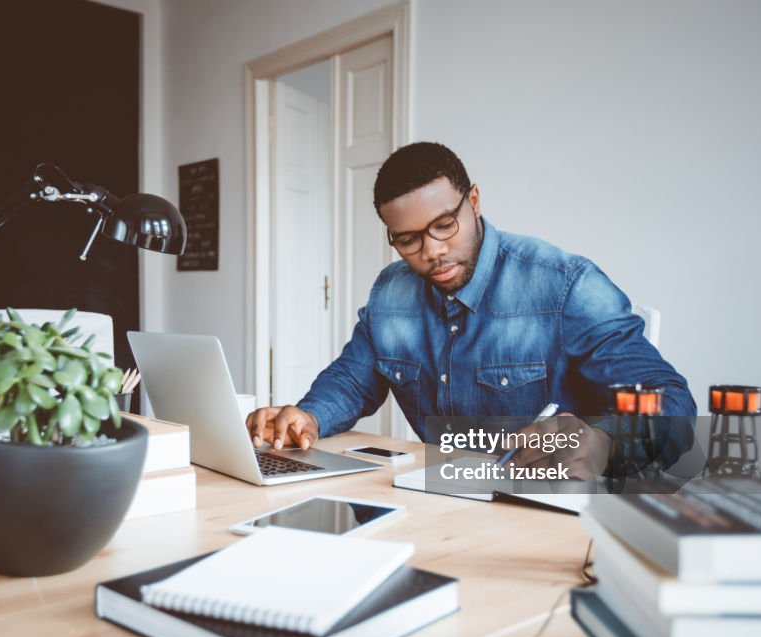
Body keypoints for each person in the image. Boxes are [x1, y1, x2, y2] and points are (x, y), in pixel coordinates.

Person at [246, 142, 695, 479]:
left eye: (445, 225)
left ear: (474, 201)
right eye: (408, 240)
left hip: (544, 506)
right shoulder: (390, 293)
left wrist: (603, 441)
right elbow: (351, 379)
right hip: (439, 497)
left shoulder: (564, 284)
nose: (433, 251)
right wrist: (309, 416)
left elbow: (674, 404)